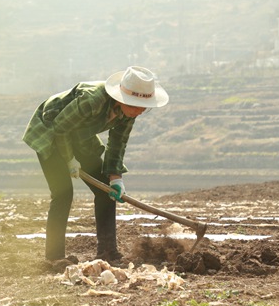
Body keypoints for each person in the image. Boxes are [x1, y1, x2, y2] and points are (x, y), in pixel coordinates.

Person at [22, 66, 169, 271]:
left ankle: (108, 252)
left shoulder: (129, 113)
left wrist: (115, 177)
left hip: (81, 137)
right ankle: (54, 257)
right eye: (138, 105)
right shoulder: (92, 100)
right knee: (63, 193)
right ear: (122, 99)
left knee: (105, 192)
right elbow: (60, 128)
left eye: (145, 105)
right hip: (50, 132)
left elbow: (118, 142)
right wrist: (69, 159)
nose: (141, 110)